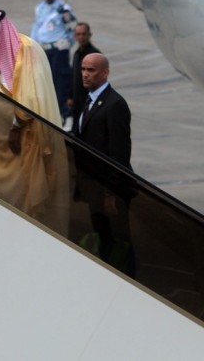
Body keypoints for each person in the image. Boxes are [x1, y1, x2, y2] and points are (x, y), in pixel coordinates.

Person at [0, 9, 70, 235]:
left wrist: (17, 126)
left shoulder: (27, 51)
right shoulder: (5, 57)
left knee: (38, 206)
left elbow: (31, 97)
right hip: (18, 148)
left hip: (33, 144)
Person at [73, 52, 134, 275]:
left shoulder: (115, 104)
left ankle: (125, 280)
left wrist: (111, 194)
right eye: (83, 69)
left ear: (105, 73)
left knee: (118, 241)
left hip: (109, 190)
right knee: (102, 236)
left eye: (91, 70)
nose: (85, 75)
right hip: (92, 187)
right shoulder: (87, 100)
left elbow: (120, 153)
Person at [30, 0, 76, 126]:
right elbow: (37, 27)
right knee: (45, 81)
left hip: (58, 49)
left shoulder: (64, 9)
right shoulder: (40, 8)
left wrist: (67, 44)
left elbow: (72, 29)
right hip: (44, 49)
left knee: (61, 81)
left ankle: (65, 114)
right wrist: (32, 45)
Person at [67, 22, 101, 130]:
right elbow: (74, 78)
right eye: (78, 34)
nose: (81, 37)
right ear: (75, 36)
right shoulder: (77, 54)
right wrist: (71, 96)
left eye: (83, 34)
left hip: (89, 104)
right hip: (77, 104)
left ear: (89, 35)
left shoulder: (95, 55)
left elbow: (99, 81)